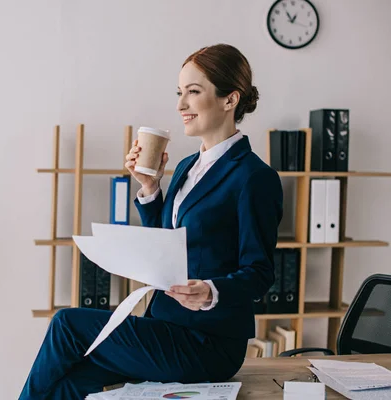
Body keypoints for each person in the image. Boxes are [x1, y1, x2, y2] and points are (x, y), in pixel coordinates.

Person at [19, 43, 283, 400]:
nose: (181, 105)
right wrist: (150, 187)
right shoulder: (188, 167)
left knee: (67, 324)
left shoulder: (254, 177)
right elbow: (168, 242)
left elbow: (260, 271)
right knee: (71, 383)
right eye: (179, 92)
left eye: (193, 91)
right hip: (165, 324)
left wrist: (210, 290)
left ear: (229, 100)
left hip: (208, 342)